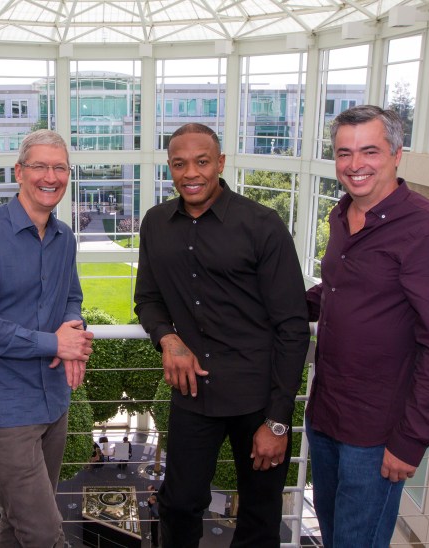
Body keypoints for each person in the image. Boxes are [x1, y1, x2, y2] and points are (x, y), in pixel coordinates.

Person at [134, 123, 310, 546]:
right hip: (193, 393)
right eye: (179, 164)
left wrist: (278, 421)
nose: (190, 173)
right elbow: (147, 299)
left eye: (201, 161)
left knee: (260, 514)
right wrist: (168, 340)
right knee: (178, 504)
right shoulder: (156, 223)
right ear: (170, 169)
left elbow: (292, 326)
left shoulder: (262, 225)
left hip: (258, 398)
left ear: (221, 164)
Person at [305, 105, 429, 547]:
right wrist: (276, 308)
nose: (355, 165)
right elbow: (335, 290)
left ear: (398, 154)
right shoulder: (342, 215)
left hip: (377, 435)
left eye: (369, 151)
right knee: (333, 534)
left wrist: (411, 440)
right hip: (325, 417)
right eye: (344, 153)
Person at [0, 129, 94, 547]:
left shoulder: (65, 237)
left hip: (53, 402)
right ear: (19, 172)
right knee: (46, 533)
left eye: (60, 167)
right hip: (3, 410)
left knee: (18, 523)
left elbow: (72, 296)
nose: (51, 176)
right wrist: (55, 345)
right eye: (40, 166)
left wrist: (73, 328)